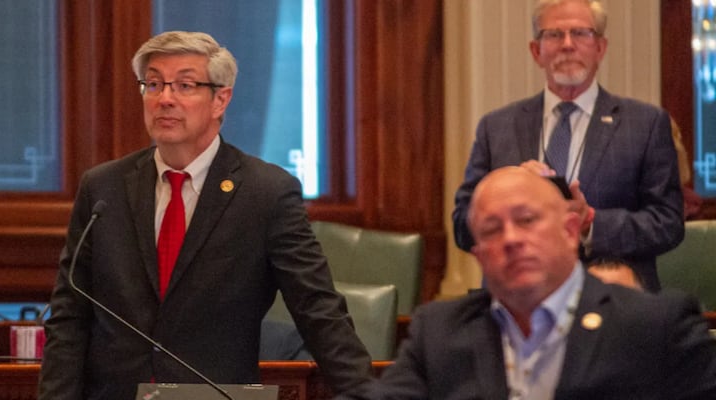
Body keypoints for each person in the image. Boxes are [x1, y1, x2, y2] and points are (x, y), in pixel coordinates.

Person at [38, 31, 372, 400]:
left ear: (220, 99)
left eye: (184, 85)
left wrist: (366, 394)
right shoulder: (102, 189)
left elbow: (317, 309)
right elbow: (69, 317)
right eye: (153, 84)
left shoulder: (266, 194)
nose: (165, 98)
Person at [336, 167, 716, 400]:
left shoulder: (654, 325)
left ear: (570, 231)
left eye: (527, 219)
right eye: (492, 229)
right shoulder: (442, 331)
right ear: (480, 254)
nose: (512, 239)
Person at [452, 0, 684, 292]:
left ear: (600, 48)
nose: (567, 45)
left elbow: (668, 224)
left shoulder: (645, 124)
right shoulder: (496, 127)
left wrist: (590, 223)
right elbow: (463, 225)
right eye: (553, 35)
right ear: (536, 51)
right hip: (516, 302)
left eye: (581, 33)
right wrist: (508, 197)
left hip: (611, 302)